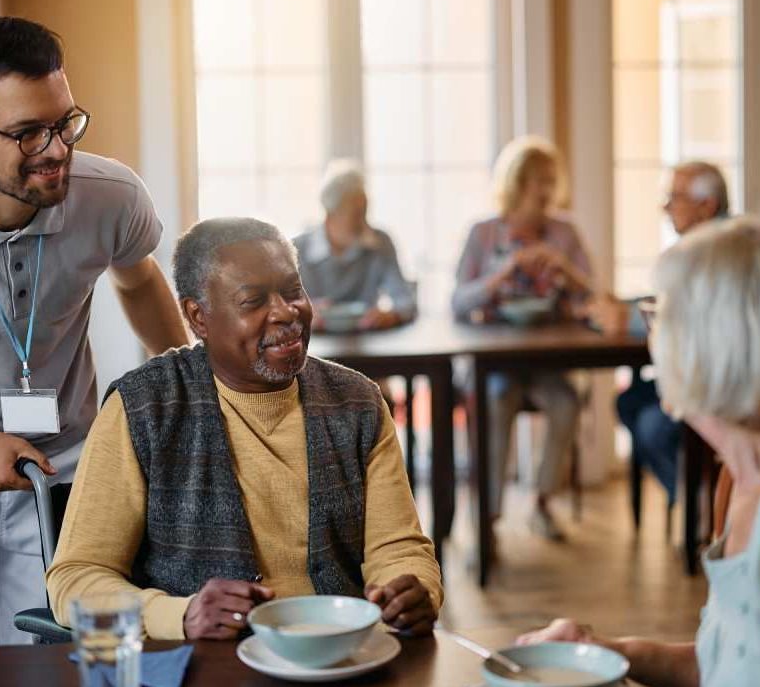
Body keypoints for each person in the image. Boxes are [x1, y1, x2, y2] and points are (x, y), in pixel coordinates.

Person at [0, 16, 189, 687]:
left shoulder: (112, 195)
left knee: (56, 663)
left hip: (67, 462)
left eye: (65, 122)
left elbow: (138, 279)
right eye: (27, 133)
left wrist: (188, 389)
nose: (56, 150)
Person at [518, 219, 760, 686]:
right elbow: (730, 663)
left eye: (665, 319)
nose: (654, 337)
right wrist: (602, 653)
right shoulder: (741, 476)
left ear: (720, 348)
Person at [47, 218, 442, 640]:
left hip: (338, 657)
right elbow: (75, 578)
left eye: (293, 291)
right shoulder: (143, 408)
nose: (286, 313)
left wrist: (412, 585)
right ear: (198, 317)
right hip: (207, 665)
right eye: (253, 301)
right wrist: (179, 615)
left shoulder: (358, 402)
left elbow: (398, 547)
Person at [451, 136, 592, 541]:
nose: (546, 191)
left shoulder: (564, 234)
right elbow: (459, 302)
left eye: (551, 180)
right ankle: (489, 518)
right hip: (495, 364)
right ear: (516, 185)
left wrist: (565, 267)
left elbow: (592, 293)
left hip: (547, 363)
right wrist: (503, 273)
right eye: (537, 182)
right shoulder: (483, 234)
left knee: (567, 403)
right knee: (495, 402)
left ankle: (543, 503)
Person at [586, 162, 728, 521]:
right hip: (698, 374)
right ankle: (692, 497)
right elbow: (673, 301)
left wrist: (626, 316)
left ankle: (702, 506)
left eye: (675, 197)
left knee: (652, 422)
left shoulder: (723, 251)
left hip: (721, 383)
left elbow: (691, 317)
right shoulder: (700, 247)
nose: (666, 206)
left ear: (707, 205)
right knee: (630, 402)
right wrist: (623, 307)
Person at [294, 159, 416, 332]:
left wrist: (393, 315)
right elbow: (283, 309)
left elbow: (406, 301)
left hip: (368, 344)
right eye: (356, 214)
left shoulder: (379, 243)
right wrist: (302, 313)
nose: (363, 223)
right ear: (330, 215)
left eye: (365, 212)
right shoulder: (297, 250)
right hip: (315, 348)